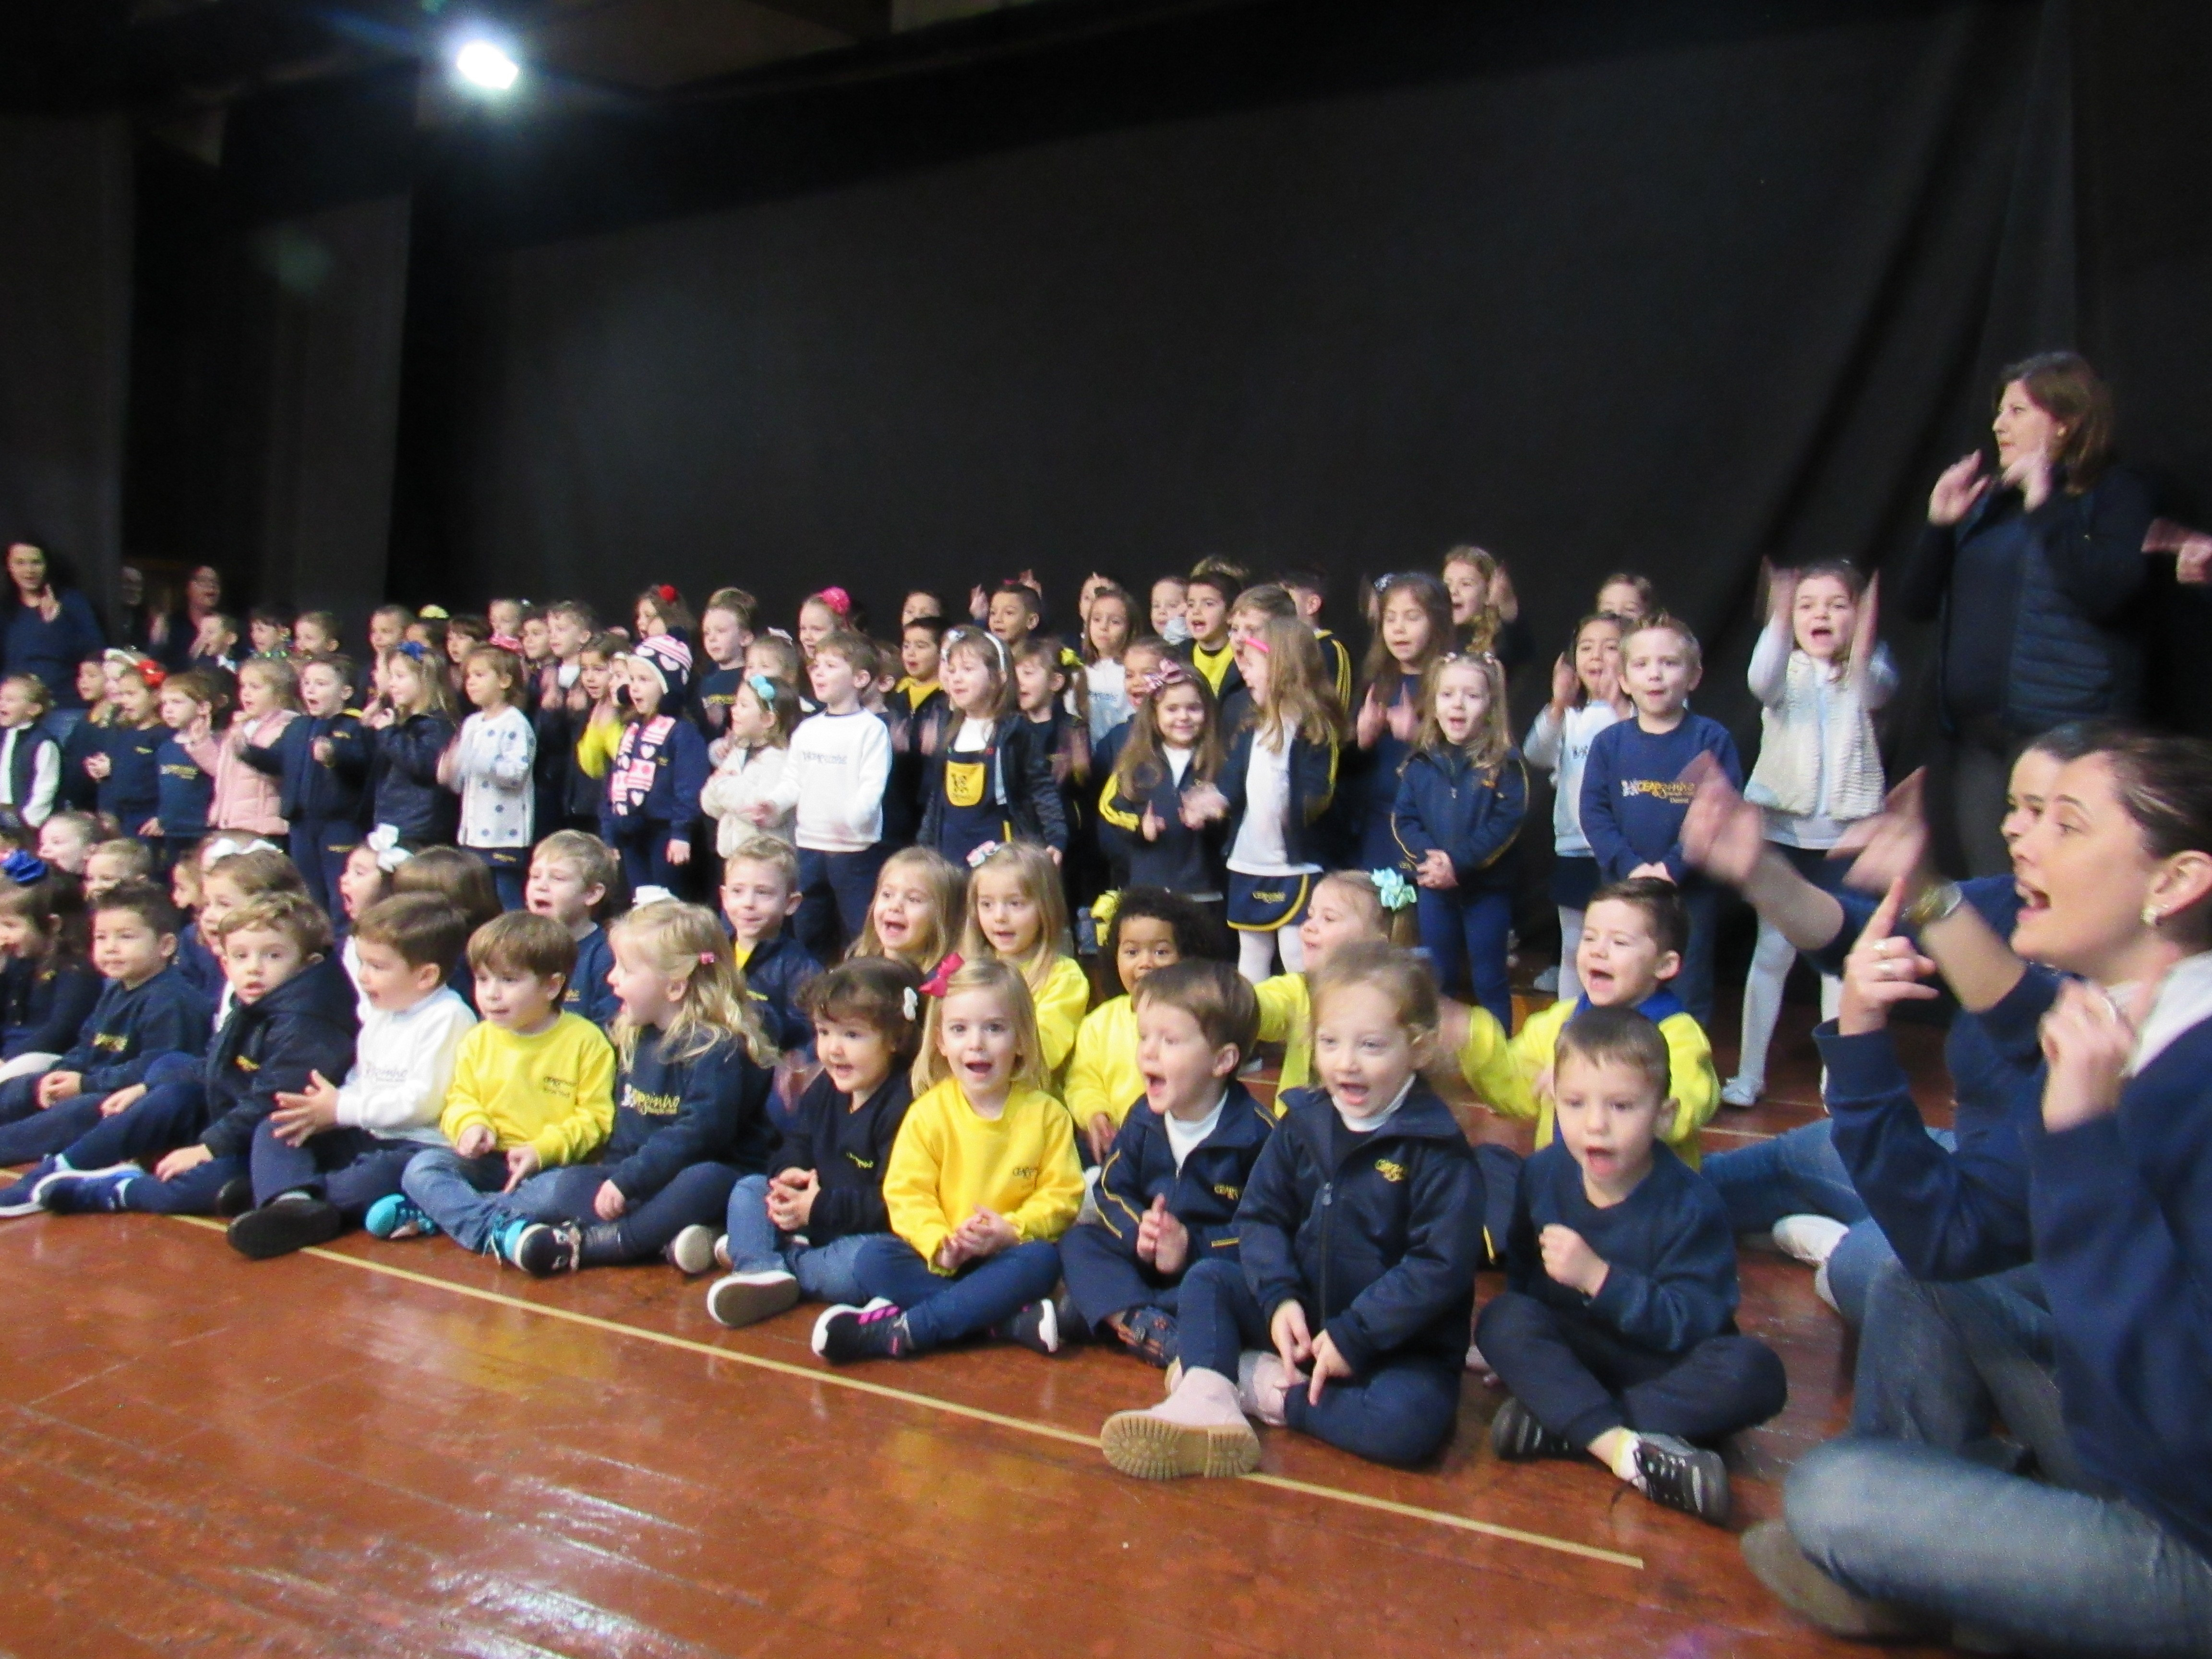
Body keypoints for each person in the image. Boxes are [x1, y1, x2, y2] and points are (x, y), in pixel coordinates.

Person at [1745, 732, 2212, 1656]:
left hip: (2187, 1521)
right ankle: (1951, 1572)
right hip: (2130, 1447)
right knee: (1913, 1282)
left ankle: (1976, 1588)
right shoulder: (2111, 1024)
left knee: (1834, 1496)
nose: (2019, 839)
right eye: (2021, 812)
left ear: (2173, 881)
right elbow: (1946, 1239)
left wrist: (2080, 1145)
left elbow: (2179, 1421)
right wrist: (1861, 1033)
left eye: (2063, 823)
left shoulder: (2179, 1076)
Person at [1101, 940, 1481, 1475]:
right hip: (1301, 1319)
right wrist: (1279, 1298)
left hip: (1396, 1346)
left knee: (1408, 1426)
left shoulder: (1439, 1150)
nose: (1346, 1063)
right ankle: (1205, 1397)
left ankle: (1270, 1392)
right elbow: (1261, 1217)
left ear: (1417, 1048)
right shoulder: (1303, 1123)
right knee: (1209, 1279)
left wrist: (1356, 1335)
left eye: (1371, 1046)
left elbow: (1438, 1268)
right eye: (1330, 1042)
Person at [1477, 1005, 1788, 1525]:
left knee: (1755, 1373)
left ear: (1663, 1116)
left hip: (1659, 1363)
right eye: (1575, 1104)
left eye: (1621, 1106)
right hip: (1577, 1348)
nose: (1595, 1125)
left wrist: (1600, 1280)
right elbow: (1524, 1276)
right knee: (1500, 1319)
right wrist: (1515, 1351)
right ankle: (1619, 1440)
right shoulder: (1543, 1173)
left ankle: (1573, 1425)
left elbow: (1695, 1321)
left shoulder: (1692, 1203)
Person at [1899, 352, 2156, 876]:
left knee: (2057, 881)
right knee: (1994, 886)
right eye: (1999, 411)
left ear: (2065, 422)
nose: (1999, 424)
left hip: (2062, 734)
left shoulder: (2114, 493)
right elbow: (1917, 603)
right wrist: (1940, 525)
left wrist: (2045, 503)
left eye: (2017, 411)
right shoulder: (1993, 503)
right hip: (1980, 740)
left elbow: (2107, 592)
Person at [811, 957, 1085, 1362]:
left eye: (994, 1028)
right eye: (960, 1029)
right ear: (940, 1041)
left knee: (1042, 1260)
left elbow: (1062, 1196)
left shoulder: (1047, 1115)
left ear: (1022, 1040)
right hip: (941, 1259)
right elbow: (907, 1194)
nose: (976, 1044)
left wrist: (1011, 1230)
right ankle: (1005, 1322)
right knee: (873, 1259)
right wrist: (939, 1244)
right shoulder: (927, 1113)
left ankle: (905, 1331)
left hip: (1007, 1257)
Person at [489, 901, 777, 1276]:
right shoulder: (636, 1034)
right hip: (644, 1180)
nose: (611, 979)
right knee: (569, 1184)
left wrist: (628, 1181)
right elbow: (628, 1128)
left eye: (625, 970)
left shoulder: (715, 1048)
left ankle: (600, 1244)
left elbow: (702, 1134)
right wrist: (615, 1179)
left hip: (701, 1172)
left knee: (707, 1180)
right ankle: (669, 1238)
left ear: (675, 986)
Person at [32, 891, 358, 1217]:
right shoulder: (256, 1002)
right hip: (234, 1124)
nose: (254, 969)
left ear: (308, 965)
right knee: (170, 1090)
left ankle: (120, 1191)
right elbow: (216, 1067)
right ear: (225, 963)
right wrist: (147, 1087)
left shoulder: (307, 1020)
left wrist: (209, 1148)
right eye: (241, 957)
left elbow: (272, 1100)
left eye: (273, 956)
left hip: (278, 1144)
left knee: (196, 1184)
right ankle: (67, 1164)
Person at [1722, 564, 1894, 1107]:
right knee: (1771, 955)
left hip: (1844, 843)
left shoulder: (1870, 668)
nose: (1821, 614)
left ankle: (1835, 1078)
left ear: (1860, 616)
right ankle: (1749, 1073)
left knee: (1838, 961)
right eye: (1807, 604)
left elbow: (1874, 688)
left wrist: (1865, 636)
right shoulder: (1785, 676)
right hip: (1785, 839)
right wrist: (1778, 614)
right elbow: (1760, 678)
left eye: (1838, 605)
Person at [222, 893, 476, 1257]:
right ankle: (292, 1200)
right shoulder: (383, 1010)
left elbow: (423, 1104)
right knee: (277, 1127)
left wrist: (342, 1109)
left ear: (425, 976)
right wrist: (323, 1111)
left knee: (369, 1179)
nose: (363, 976)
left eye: (377, 967)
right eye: (362, 963)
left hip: (417, 1144)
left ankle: (285, 1196)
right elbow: (362, 1077)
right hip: (368, 1131)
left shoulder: (448, 1017)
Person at [1059, 961, 1272, 1368]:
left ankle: (1116, 1314)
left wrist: (1190, 1246)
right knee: (1080, 1242)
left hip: (1207, 1270)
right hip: (1145, 1260)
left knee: (1229, 1287)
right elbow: (1111, 1188)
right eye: (1143, 1037)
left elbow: (1266, 1229)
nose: (1148, 1052)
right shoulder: (1143, 1117)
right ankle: (1148, 1327)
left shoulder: (1257, 1136)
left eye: (1170, 1041)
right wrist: (1138, 1229)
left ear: (1222, 1061)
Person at [367, 912, 617, 1249]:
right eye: (483, 980)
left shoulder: (586, 1042)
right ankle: (496, 1228)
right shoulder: (477, 1039)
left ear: (552, 986)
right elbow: (460, 1099)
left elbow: (596, 1120)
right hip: (487, 1162)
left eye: (509, 981)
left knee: (563, 1193)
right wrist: (470, 1125)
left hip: (549, 1167)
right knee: (422, 1168)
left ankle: (446, 1213)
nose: (491, 994)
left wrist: (541, 1151)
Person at [706, 956, 923, 1328]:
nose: (833, 1049)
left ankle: (765, 1260)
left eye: (852, 1035)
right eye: (824, 1032)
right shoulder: (826, 1087)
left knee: (867, 1262)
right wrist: (789, 1173)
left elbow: (893, 1204)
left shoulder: (903, 1105)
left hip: (860, 1234)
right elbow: (797, 1141)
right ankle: (765, 1266)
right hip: (813, 1220)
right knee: (750, 1188)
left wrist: (818, 1208)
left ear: (896, 1039)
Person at [1460, 877, 1719, 1169]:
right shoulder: (1560, 1021)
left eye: (1619, 942)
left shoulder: (1679, 1035)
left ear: (1665, 965)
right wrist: (1469, 1035)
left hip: (1645, 1193)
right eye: (1589, 937)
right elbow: (1515, 1088)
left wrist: (1589, 1084)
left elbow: (1683, 1111)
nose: (1598, 951)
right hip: (1565, 1186)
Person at [0, 881, 214, 1199]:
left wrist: (84, 1084)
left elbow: (157, 1068)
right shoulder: (116, 991)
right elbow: (86, 1044)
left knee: (81, 1111)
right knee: (24, 1085)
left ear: (166, 946)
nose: (111, 948)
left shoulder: (171, 1000)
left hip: (125, 1101)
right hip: (92, 1083)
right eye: (101, 938)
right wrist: (63, 1073)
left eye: (126, 937)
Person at [1579, 613, 1741, 1029]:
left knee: (1687, 991)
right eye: (1642, 664)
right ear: (1624, 679)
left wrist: (1671, 868)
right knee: (1618, 985)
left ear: (1694, 676)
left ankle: (1683, 1068)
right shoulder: (1610, 743)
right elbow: (1594, 813)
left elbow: (1720, 814)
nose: (1655, 674)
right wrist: (1632, 867)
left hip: (1689, 896)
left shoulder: (1711, 739)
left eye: (1669, 663)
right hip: (1623, 892)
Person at [1194, 615, 1341, 985]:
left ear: (1283, 670)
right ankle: (1254, 1018)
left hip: (1293, 865)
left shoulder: (1313, 732)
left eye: (1253, 665)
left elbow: (1320, 790)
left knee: (1296, 953)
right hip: (1250, 859)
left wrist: (1299, 810)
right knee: (1252, 952)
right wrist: (1212, 801)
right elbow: (1232, 783)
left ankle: (1304, 1018)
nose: (1244, 673)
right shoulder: (1252, 728)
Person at [1392, 650, 1526, 1028]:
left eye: (1472, 695)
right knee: (1439, 978)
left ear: (1490, 705)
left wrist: (1458, 863)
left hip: (1487, 891)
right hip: (1436, 889)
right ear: (1433, 704)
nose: (1458, 704)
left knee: (1489, 979)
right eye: (1448, 694)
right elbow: (1404, 819)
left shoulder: (1505, 763)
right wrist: (1431, 860)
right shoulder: (1420, 763)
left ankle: (1499, 1052)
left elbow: (1506, 823)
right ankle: (1442, 1052)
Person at [1064, 888, 1218, 1162]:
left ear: (1186, 957)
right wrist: (1095, 1113)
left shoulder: (1195, 1020)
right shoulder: (1099, 1023)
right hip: (1118, 1144)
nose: (1146, 963)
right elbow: (1083, 1081)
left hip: (1181, 1144)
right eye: (1132, 952)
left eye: (1161, 951)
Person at [1526, 613, 1627, 1001]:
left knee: (1619, 945)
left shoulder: (1634, 714)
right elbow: (1536, 752)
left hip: (1620, 849)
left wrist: (1620, 704)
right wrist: (1557, 703)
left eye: (1610, 647)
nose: (1597, 656)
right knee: (1574, 947)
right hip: (1574, 846)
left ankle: (1612, 1022)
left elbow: (1645, 751)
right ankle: (1569, 1023)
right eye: (1586, 648)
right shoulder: (1570, 715)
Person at [912, 626, 1064, 872]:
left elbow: (1040, 788)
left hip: (998, 850)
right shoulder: (950, 730)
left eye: (968, 669)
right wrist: (925, 846)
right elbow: (936, 799)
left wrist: (1056, 838)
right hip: (950, 849)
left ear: (998, 678)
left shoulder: (1015, 730)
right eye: (952, 670)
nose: (956, 678)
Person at [782, 630, 893, 960]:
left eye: (831, 666)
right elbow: (793, 781)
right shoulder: (808, 729)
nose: (819, 673)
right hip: (810, 846)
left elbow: (872, 785)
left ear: (860, 679)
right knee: (807, 929)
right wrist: (772, 804)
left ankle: (862, 982)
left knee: (859, 931)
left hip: (853, 850)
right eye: (816, 666)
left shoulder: (871, 729)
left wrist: (853, 818)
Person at [1097, 661, 1227, 917]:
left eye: (1193, 708)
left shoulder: (1221, 764)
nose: (1183, 717)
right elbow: (1109, 808)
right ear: (1154, 714)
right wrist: (1140, 826)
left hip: (1204, 892)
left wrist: (1214, 818)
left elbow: (1237, 818)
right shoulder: (1135, 762)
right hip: (1149, 891)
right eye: (1172, 709)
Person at [243, 654, 365, 917]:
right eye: (307, 683)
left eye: (321, 684)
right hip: (301, 822)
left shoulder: (355, 725)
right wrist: (247, 752)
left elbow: (361, 762)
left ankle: (343, 939)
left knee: (339, 892)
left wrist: (334, 756)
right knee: (309, 892)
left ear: (346, 692)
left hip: (338, 824)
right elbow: (278, 762)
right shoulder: (299, 726)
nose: (310, 690)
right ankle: (317, 938)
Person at [961, 840, 1089, 1085]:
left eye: (1015, 904)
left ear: (1045, 908)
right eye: (987, 904)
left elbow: (1045, 1050)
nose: (999, 917)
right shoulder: (968, 969)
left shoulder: (1063, 977)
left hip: (1030, 1095)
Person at [600, 635, 708, 896]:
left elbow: (689, 787)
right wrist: (610, 833)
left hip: (664, 831)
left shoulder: (683, 733)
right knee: (640, 898)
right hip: (631, 831)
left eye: (645, 680)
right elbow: (615, 783)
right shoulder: (632, 729)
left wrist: (681, 833)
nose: (635, 688)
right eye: (632, 680)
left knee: (665, 899)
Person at [443, 642, 536, 910]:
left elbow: (516, 774)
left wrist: (475, 760)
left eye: (480, 675)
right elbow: (462, 780)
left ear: (505, 681)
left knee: (506, 897)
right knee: (476, 900)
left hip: (504, 833)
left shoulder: (515, 723)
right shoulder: (472, 724)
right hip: (473, 833)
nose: (471, 683)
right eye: (468, 677)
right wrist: (450, 770)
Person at [718, 833, 819, 1054]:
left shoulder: (799, 968)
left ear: (791, 903)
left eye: (763, 893)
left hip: (768, 1063)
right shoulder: (714, 952)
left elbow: (808, 1035)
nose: (748, 903)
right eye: (738, 891)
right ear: (724, 898)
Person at [0, 872, 98, 1075]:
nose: (2, 935)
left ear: (53, 924)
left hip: (43, 1059)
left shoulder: (76, 968)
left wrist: (8, 1059)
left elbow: (62, 1030)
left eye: (10, 925)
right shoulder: (17, 963)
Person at [364, 643, 459, 848]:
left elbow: (424, 765)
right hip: (394, 823)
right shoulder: (400, 722)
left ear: (425, 681)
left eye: (400, 677)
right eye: (391, 677)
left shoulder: (437, 724)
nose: (392, 684)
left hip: (418, 827)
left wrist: (389, 733)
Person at [1, 543, 104, 729]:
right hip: (17, 711)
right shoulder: (6, 609)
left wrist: (57, 624)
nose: (29, 570)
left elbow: (94, 652)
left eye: (36, 563)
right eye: (20, 563)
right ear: (9, 567)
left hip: (63, 707)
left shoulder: (71, 602)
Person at [525, 830, 618, 1027]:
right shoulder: (516, 945)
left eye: (557, 878)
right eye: (535, 876)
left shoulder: (605, 954)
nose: (541, 886)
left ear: (592, 894)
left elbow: (609, 1026)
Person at [700, 674, 797, 854]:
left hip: (766, 857)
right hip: (734, 856)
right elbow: (708, 804)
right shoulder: (739, 751)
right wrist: (722, 788)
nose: (734, 710)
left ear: (768, 719)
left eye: (743, 706)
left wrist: (724, 784)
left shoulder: (779, 759)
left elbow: (760, 812)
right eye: (736, 703)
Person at [209, 657, 299, 839]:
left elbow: (276, 769)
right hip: (234, 822)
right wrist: (201, 743)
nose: (246, 693)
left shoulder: (287, 726)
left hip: (264, 825)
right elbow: (223, 771)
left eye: (255, 687)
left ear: (279, 693)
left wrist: (245, 748)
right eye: (244, 686)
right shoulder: (242, 725)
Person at [849, 846, 965, 980]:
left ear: (944, 917)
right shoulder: (855, 970)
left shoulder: (944, 983)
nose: (895, 906)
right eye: (887, 895)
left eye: (914, 899)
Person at [0, 673, 60, 828]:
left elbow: (46, 787)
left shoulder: (42, 743)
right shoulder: (4, 737)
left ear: (34, 709)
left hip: (26, 822)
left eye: (10, 700)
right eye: (1, 698)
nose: (2, 704)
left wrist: (28, 822)